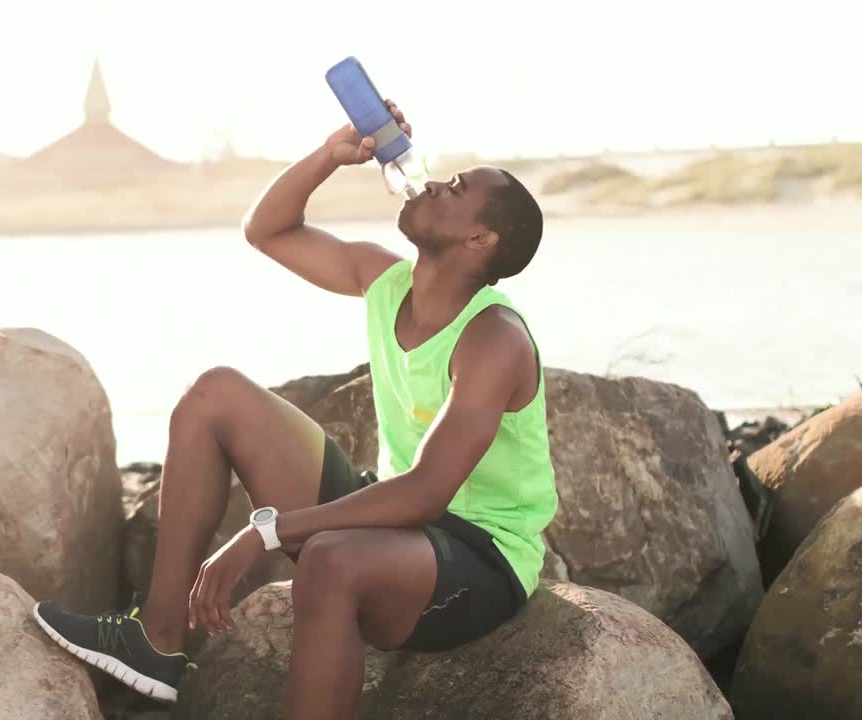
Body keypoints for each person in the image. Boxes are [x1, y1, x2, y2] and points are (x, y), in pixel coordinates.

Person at [33, 100, 558, 720]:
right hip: (395, 526)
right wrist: (329, 156)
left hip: (477, 555)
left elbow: (425, 493)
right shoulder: (384, 280)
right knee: (215, 393)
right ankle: (156, 639)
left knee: (332, 560)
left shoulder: (494, 338)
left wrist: (267, 532)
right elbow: (268, 231)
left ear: (480, 239)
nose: (435, 180)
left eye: (457, 188)